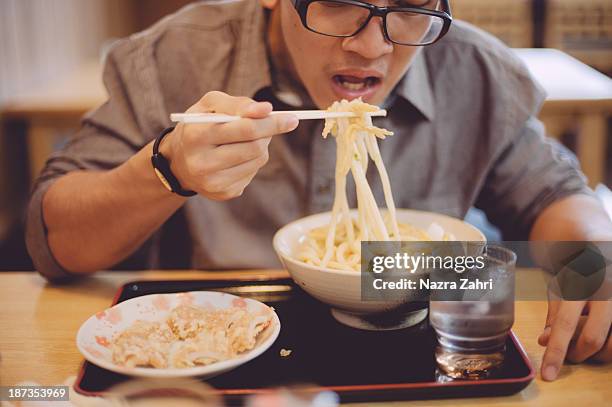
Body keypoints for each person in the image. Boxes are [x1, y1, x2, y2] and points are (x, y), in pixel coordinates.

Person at [26, 0, 611, 381]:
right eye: (337, 3)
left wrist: (594, 262)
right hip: (215, 357)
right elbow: (57, 242)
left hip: (426, 351)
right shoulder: (170, 57)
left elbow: (556, 196)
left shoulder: (475, 70)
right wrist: (164, 170)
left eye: (410, 7)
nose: (372, 45)